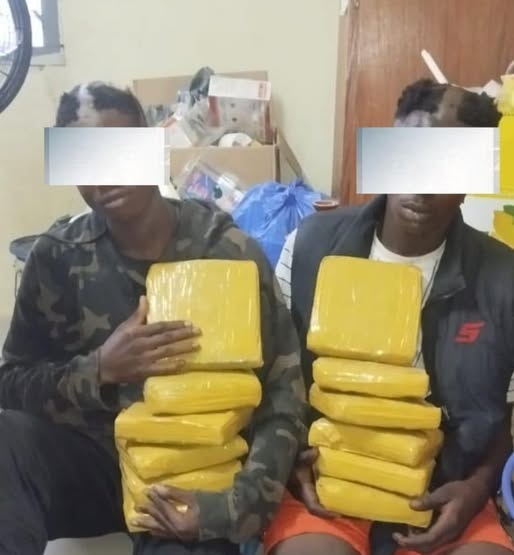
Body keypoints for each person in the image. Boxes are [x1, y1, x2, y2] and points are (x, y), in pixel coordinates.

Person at [0, 82, 307, 555]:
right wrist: (99, 370)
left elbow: (283, 395)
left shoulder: (226, 253)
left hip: (193, 470)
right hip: (94, 464)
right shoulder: (57, 257)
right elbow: (12, 383)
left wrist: (228, 508)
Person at [265, 79, 514, 555]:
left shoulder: (504, 279)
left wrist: (475, 489)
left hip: (448, 487)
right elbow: (276, 379)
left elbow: (508, 414)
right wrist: (289, 456)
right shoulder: (310, 247)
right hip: (331, 474)